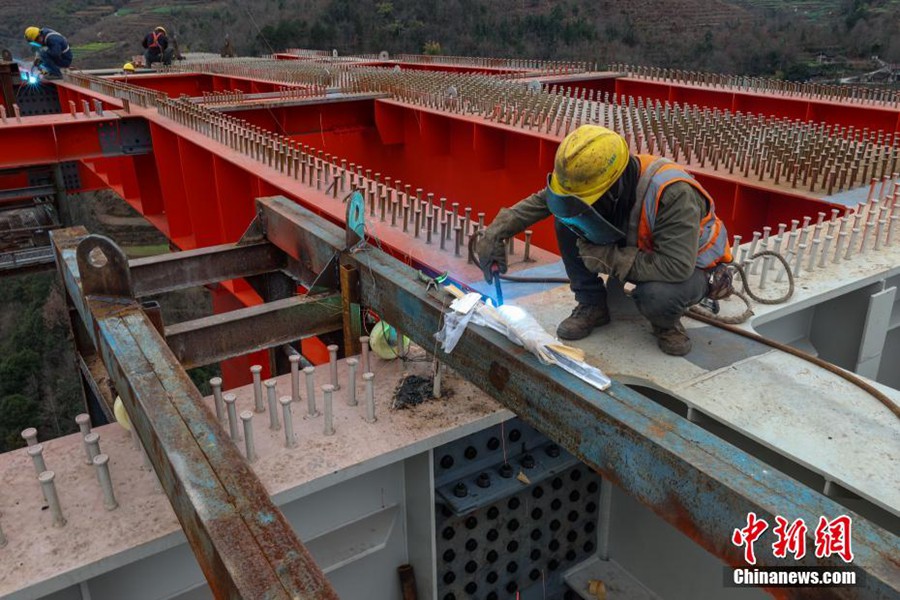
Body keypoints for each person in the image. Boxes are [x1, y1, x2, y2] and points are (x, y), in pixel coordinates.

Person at [475, 125, 732, 356]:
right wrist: (496, 233)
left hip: (690, 267)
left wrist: (606, 258)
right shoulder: (595, 179)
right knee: (567, 218)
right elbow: (543, 203)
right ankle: (592, 305)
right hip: (644, 250)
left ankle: (667, 323)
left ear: (614, 187)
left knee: (656, 296)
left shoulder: (673, 193)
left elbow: (675, 266)